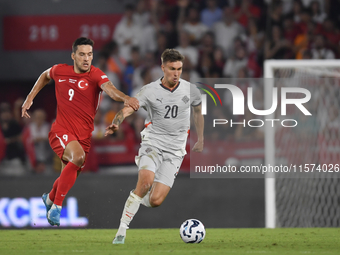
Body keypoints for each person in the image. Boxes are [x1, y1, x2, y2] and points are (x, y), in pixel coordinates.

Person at [21, 37, 139, 226]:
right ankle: (57, 207)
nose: (86, 58)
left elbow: (110, 90)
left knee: (70, 172)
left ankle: (50, 198)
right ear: (73, 56)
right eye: (82, 54)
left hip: (83, 137)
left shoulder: (95, 75)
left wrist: (125, 97)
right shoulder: (61, 70)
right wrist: (30, 98)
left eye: (90, 54)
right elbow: (45, 75)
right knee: (77, 157)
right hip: (61, 131)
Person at [105, 49, 204, 244]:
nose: (176, 73)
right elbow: (127, 108)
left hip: (175, 151)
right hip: (153, 144)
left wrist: (200, 138)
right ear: (163, 68)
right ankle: (122, 231)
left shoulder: (191, 89)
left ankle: (135, 197)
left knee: (155, 201)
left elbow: (198, 111)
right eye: (172, 69)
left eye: (179, 69)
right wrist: (117, 121)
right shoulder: (149, 90)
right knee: (146, 182)